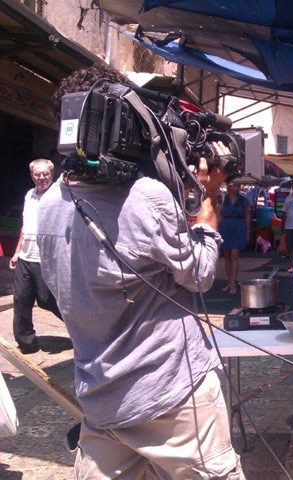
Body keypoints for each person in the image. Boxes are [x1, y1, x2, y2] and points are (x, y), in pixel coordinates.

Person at [38, 64, 244, 479]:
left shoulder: (46, 204)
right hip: (174, 395)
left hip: (100, 398)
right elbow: (201, 274)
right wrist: (205, 207)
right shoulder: (147, 198)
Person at [10, 158, 62, 354]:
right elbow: (26, 224)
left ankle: (80, 328)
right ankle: (27, 343)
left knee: (46, 299)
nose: (41, 178)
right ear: (32, 176)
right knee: (21, 299)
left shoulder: (58, 196)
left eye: (45, 174)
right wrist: (16, 252)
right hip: (25, 257)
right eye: (37, 174)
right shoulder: (29, 195)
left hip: (45, 258)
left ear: (51, 174)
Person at [218, 182, 251, 294]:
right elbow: (219, 214)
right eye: (234, 185)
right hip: (225, 227)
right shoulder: (223, 198)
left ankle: (233, 284)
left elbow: (247, 217)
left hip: (238, 227)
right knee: (226, 255)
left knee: (234, 255)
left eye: (238, 185)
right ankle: (229, 282)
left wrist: (248, 233)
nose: (236, 187)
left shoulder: (243, 200)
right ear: (229, 186)